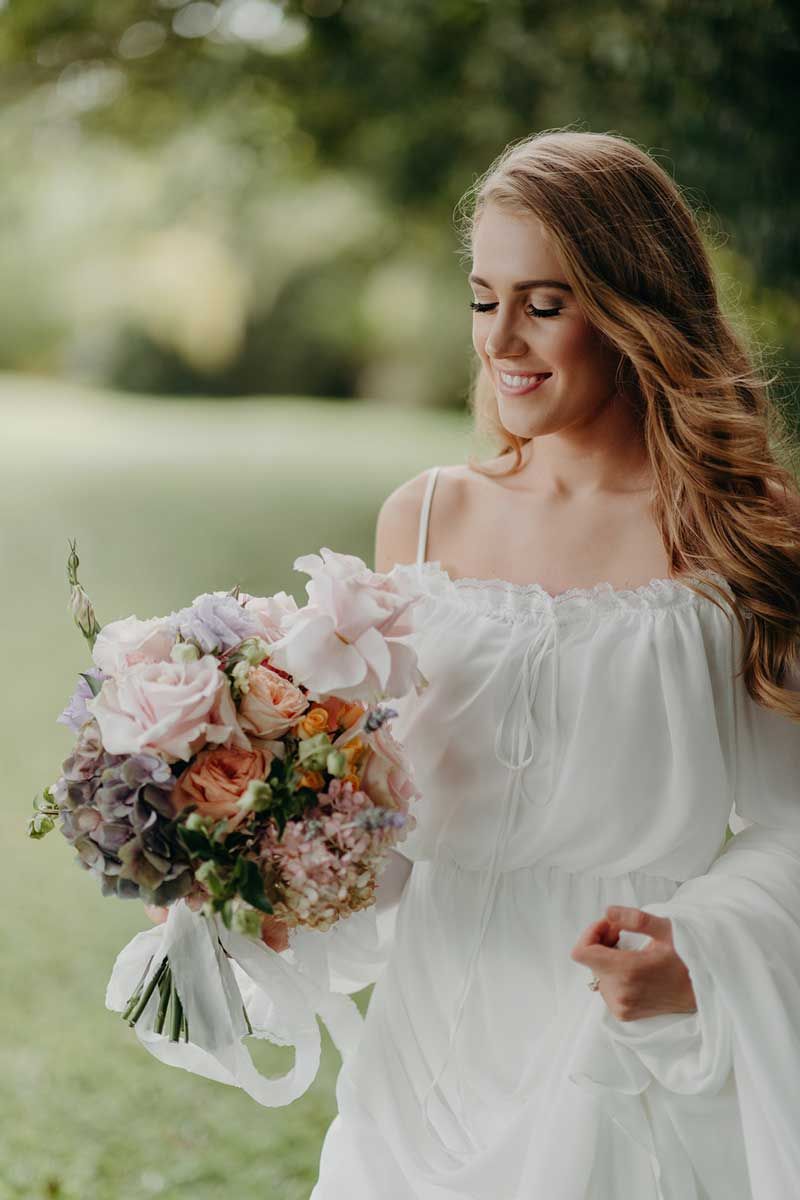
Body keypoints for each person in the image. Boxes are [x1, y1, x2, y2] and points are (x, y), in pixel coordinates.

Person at [301, 130, 800, 1199]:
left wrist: (696, 954)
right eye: (484, 299)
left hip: (616, 1035)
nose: (501, 341)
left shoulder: (743, 535)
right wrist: (252, 863)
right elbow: (380, 818)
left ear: (633, 309)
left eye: (545, 301)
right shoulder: (425, 515)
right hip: (424, 1042)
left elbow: (792, 819)